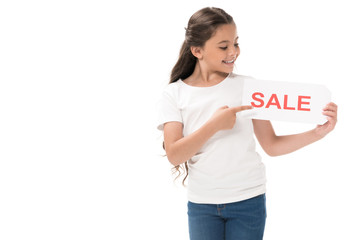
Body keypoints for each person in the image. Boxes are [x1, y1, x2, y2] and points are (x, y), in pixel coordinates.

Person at [157, 7, 337, 240]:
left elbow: (271, 145)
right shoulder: (174, 94)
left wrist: (317, 133)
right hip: (203, 205)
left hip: (248, 201)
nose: (233, 51)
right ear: (197, 50)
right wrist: (214, 125)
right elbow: (174, 154)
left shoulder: (250, 88)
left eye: (236, 43)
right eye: (223, 46)